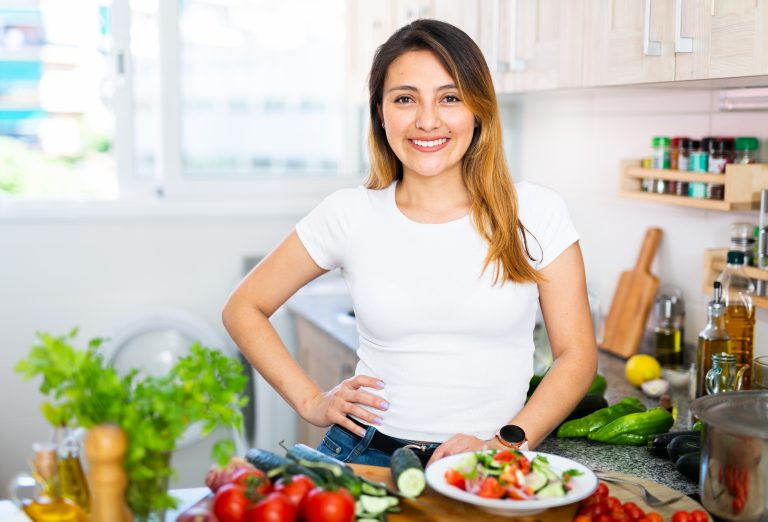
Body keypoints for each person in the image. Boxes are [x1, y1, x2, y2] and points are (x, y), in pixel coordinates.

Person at [222, 19, 597, 467]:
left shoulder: (535, 212)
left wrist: (506, 444)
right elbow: (243, 307)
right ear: (381, 114)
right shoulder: (349, 214)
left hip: (491, 459)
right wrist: (311, 403)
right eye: (405, 99)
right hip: (364, 454)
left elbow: (576, 356)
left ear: (478, 108)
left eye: (449, 97)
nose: (427, 120)